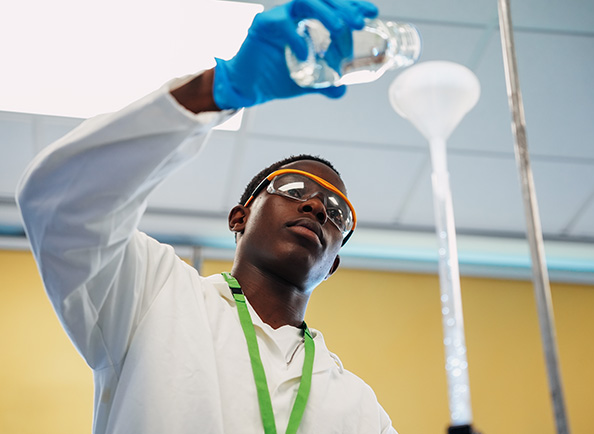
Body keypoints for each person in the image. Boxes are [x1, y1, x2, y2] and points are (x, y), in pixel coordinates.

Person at [16, 0, 397, 433]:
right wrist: (220, 89)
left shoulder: (361, 408)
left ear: (333, 265)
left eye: (336, 213)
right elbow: (61, 203)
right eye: (293, 189)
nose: (314, 207)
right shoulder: (152, 292)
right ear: (240, 217)